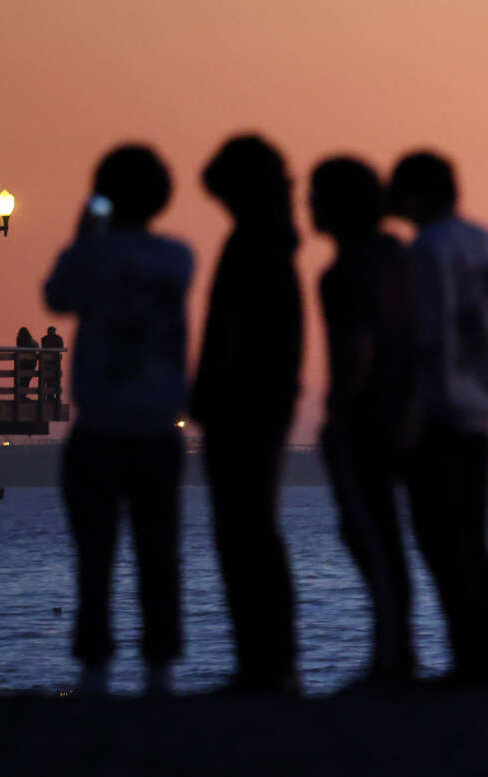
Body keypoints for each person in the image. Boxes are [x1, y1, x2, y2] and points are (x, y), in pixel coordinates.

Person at [44, 144, 193, 696]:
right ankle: (159, 666)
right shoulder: (178, 257)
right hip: (157, 426)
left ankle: (95, 667)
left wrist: (87, 229)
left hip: (101, 422)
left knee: (95, 554)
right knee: (159, 553)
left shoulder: (93, 256)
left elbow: (56, 295)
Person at [388, 151, 488, 690]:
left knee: (439, 540)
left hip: (436, 415)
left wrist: (412, 409)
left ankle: (467, 664)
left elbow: (428, 331)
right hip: (477, 411)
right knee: (474, 541)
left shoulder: (426, 251)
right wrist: (485, 381)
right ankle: (485, 662)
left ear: (419, 194)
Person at [191, 135, 301, 695]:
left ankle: (263, 663)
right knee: (256, 533)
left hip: (243, 413)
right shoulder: (274, 247)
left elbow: (232, 335)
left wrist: (209, 395)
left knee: (243, 534)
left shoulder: (250, 248)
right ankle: (271, 660)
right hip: (261, 409)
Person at [312, 156, 418, 689]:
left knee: (367, 534)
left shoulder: (343, 274)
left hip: (366, 420)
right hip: (408, 414)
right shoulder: (402, 260)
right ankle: (398, 652)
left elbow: (355, 349)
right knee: (388, 539)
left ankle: (390, 658)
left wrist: (337, 416)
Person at [40, 326, 65, 401]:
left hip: (46, 362)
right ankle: (50, 397)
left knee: (46, 380)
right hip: (54, 362)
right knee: (53, 380)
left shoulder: (44, 339)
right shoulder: (58, 338)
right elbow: (61, 347)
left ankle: (45, 397)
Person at [15, 327, 39, 397]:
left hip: (22, 363)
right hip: (30, 363)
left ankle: (21, 396)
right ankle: (23, 395)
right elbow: (37, 346)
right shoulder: (30, 340)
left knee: (21, 380)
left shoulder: (19, 341)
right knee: (26, 380)